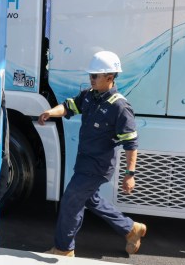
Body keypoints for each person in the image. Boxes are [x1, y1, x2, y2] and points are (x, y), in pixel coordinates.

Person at [38, 51, 146, 256]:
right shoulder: (89, 96)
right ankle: (132, 229)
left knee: (71, 200)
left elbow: (131, 143)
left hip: (98, 166)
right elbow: (69, 107)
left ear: (110, 77)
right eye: (91, 75)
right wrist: (51, 112)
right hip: (84, 162)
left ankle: (63, 249)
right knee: (90, 199)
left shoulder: (120, 106)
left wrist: (130, 174)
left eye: (95, 75)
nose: (91, 79)